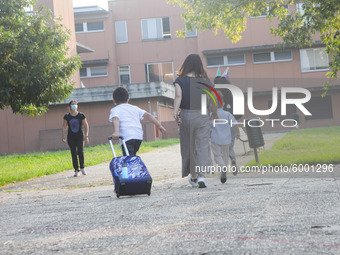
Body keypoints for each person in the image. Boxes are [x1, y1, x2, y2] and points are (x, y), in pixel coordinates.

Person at [173, 54, 218, 188]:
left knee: (189, 146)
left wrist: (175, 112)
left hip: (186, 115)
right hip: (203, 115)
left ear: (186, 65)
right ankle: (202, 176)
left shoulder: (180, 80)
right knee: (203, 145)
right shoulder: (205, 80)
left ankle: (193, 175)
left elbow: (178, 96)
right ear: (199, 65)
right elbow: (212, 99)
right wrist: (214, 114)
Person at [109, 87, 166, 156]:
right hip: (138, 137)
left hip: (127, 137)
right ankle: (133, 165)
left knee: (128, 158)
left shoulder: (115, 110)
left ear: (114, 100)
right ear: (128, 99)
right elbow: (148, 115)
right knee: (132, 156)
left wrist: (116, 132)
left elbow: (115, 119)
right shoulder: (135, 108)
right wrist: (159, 125)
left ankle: (131, 166)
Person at [210, 90, 240, 183]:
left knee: (217, 156)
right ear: (223, 103)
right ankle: (224, 169)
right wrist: (237, 132)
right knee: (226, 157)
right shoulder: (227, 114)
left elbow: (207, 126)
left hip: (215, 139)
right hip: (226, 139)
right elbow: (234, 124)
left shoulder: (211, 115)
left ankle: (222, 168)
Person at [214, 76, 241, 175]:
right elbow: (239, 113)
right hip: (231, 123)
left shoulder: (215, 94)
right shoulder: (232, 94)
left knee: (219, 147)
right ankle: (233, 159)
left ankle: (223, 167)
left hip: (217, 123)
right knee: (230, 146)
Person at [62, 100, 89, 177]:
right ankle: (76, 169)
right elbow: (64, 127)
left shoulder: (81, 115)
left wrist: (86, 135)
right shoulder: (67, 116)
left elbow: (86, 125)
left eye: (75, 104)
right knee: (73, 152)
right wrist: (63, 136)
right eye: (72, 104)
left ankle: (82, 167)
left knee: (80, 151)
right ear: (69, 106)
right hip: (71, 136)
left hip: (79, 135)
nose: (74, 105)